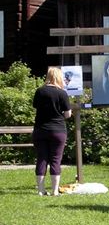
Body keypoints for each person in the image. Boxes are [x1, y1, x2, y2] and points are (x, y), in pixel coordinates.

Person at [32, 67, 72, 196]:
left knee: (41, 159)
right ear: (59, 77)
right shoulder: (62, 93)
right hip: (58, 130)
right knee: (55, 160)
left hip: (40, 129)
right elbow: (68, 114)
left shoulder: (40, 91)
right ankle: (55, 191)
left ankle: (41, 190)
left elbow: (36, 108)